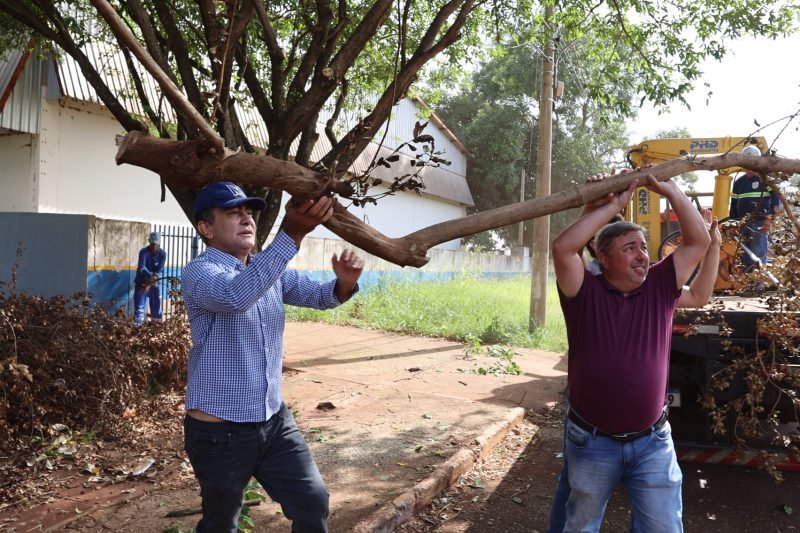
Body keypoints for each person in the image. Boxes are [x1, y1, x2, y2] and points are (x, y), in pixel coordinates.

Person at [180, 181, 363, 532]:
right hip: (220, 432)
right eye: (233, 213)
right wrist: (290, 234)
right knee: (221, 522)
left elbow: (320, 296)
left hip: (274, 421)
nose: (246, 219)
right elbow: (235, 296)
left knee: (312, 501)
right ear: (206, 228)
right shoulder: (200, 273)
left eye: (248, 212)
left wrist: (343, 283)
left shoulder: (268, 270)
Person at [548, 172, 710, 532]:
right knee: (581, 525)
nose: (642, 255)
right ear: (603, 259)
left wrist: (669, 189)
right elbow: (562, 248)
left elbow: (697, 242)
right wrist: (611, 207)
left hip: (652, 441)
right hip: (591, 441)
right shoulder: (583, 292)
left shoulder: (661, 286)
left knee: (663, 528)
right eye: (629, 248)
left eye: (643, 246)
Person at [729, 145, 780, 270]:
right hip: (742, 223)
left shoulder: (765, 179)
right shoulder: (739, 182)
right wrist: (733, 223)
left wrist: (769, 219)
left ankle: (759, 284)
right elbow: (734, 204)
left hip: (759, 223)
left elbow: (775, 199)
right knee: (744, 255)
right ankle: (748, 283)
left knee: (758, 253)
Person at [133, 231, 167, 326]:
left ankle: (155, 330)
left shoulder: (163, 254)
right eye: (152, 244)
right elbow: (141, 267)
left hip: (155, 285)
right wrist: (150, 277)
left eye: (156, 244)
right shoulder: (144, 252)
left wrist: (152, 280)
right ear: (149, 242)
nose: (154, 246)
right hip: (142, 284)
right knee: (139, 310)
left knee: (156, 310)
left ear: (159, 243)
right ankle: (137, 329)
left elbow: (159, 270)